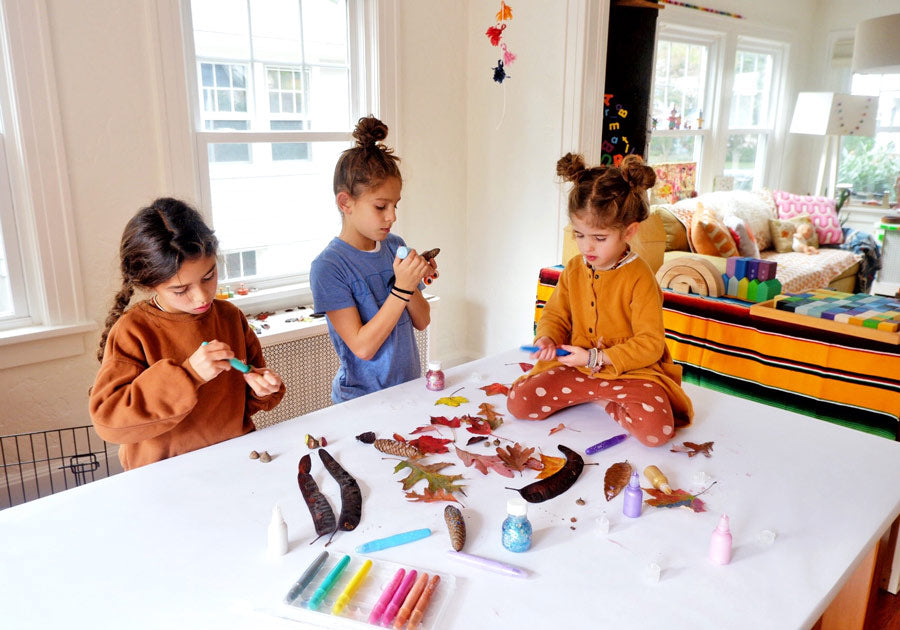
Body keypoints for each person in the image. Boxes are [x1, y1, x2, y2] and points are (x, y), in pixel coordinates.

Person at [506, 153, 693, 446]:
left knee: (657, 432)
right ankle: (594, 395)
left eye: (599, 238)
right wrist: (547, 339)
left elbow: (650, 344)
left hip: (630, 372)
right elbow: (556, 315)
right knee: (519, 403)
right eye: (579, 235)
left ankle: (606, 401)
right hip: (575, 367)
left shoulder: (640, 276)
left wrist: (597, 358)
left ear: (629, 231)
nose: (586, 246)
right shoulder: (573, 269)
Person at [89, 198, 285, 469]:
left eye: (209, 276)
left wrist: (262, 388)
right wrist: (190, 375)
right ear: (149, 284)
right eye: (181, 290)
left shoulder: (229, 317)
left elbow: (243, 400)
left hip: (235, 460)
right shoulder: (133, 331)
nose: (201, 297)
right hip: (166, 473)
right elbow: (109, 423)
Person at [310, 116, 435, 403]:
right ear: (345, 203)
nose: (392, 216)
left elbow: (422, 320)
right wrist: (401, 287)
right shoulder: (328, 267)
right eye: (381, 206)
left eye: (395, 205)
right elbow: (363, 347)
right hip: (362, 401)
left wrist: (412, 281)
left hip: (409, 389)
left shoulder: (395, 246)